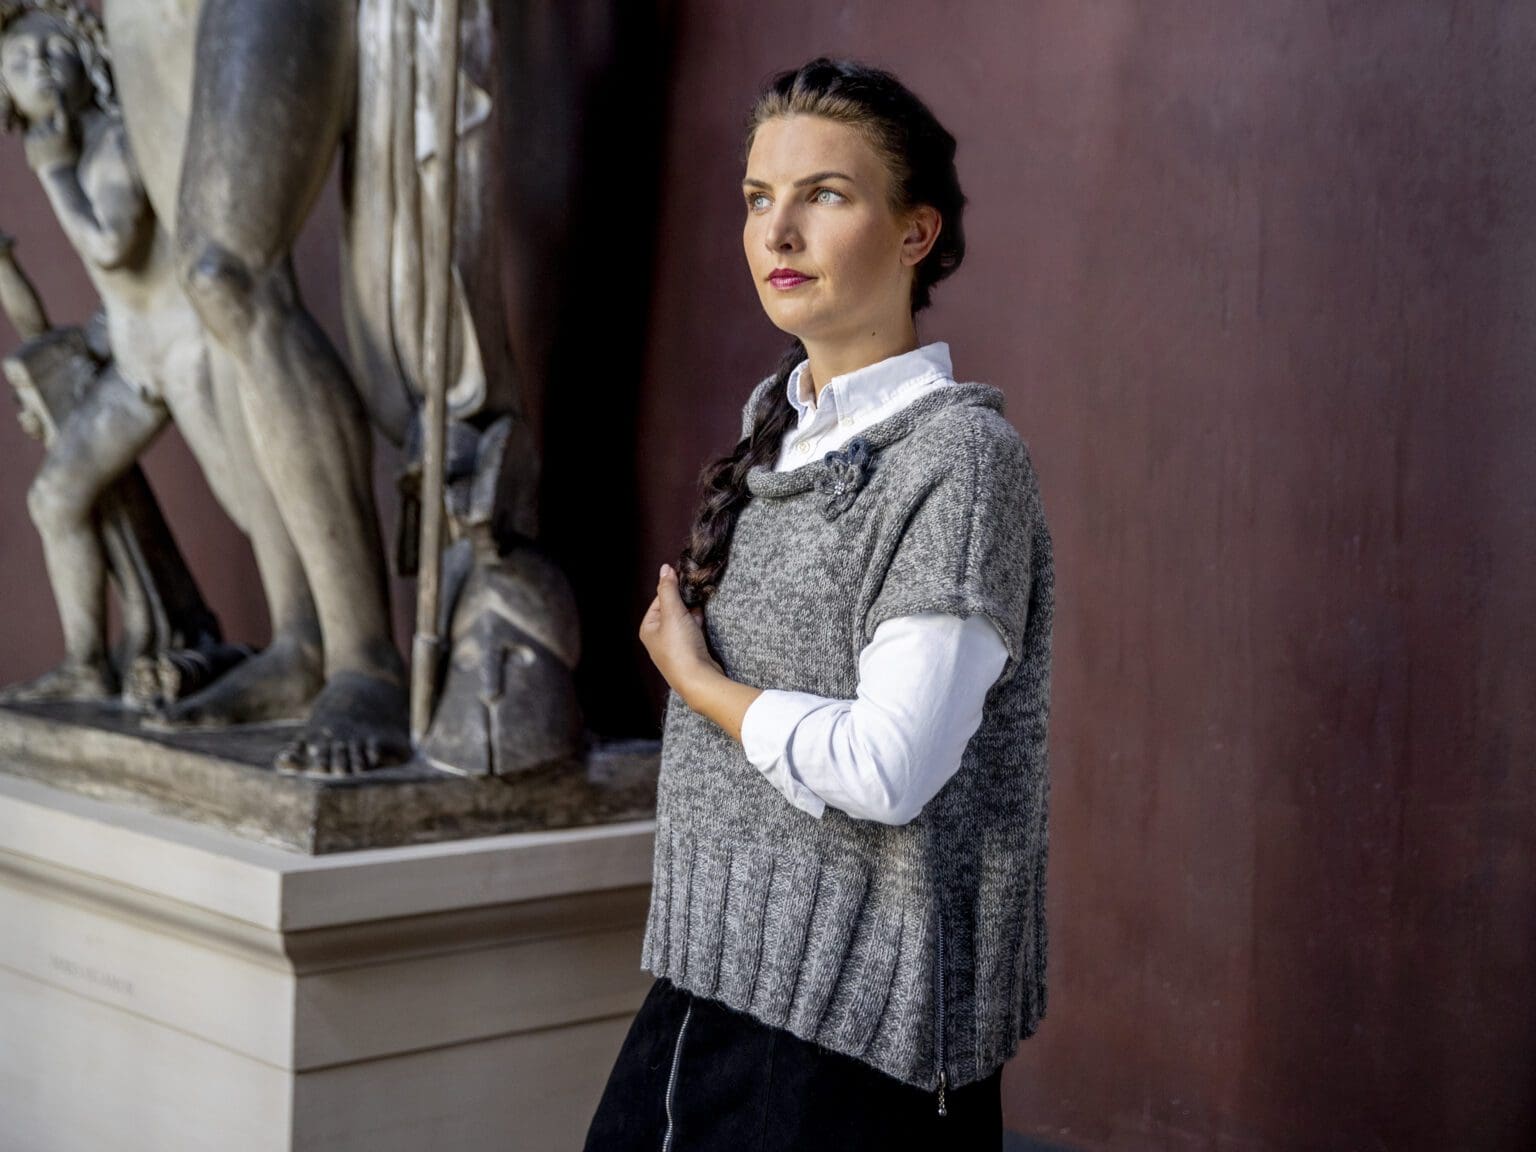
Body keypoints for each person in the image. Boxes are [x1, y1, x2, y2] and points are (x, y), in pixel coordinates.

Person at [585, 57, 1054, 1150]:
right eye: (759, 199)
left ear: (916, 232)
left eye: (825, 195)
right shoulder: (777, 432)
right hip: (703, 995)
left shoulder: (959, 463)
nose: (778, 232)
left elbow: (891, 769)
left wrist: (698, 682)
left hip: (850, 1051)